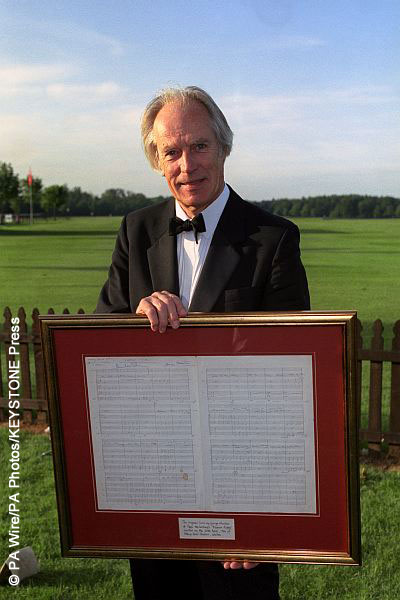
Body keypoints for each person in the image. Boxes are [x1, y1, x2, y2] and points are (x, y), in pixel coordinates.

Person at [96, 86, 310, 600]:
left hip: (240, 487)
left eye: (200, 146)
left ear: (224, 147)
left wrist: (262, 511)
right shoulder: (135, 229)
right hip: (155, 484)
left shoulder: (273, 238)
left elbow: (293, 383)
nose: (186, 164)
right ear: (156, 160)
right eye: (171, 151)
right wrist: (134, 317)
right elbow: (102, 343)